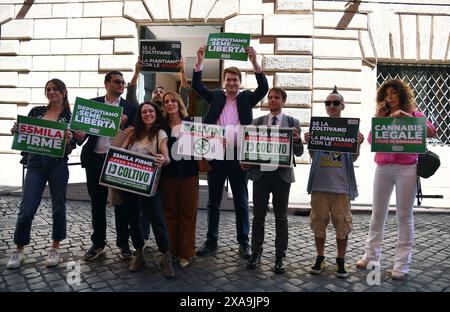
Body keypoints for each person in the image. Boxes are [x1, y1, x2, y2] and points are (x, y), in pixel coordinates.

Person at [192, 45, 269, 259]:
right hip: (216, 154)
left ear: (239, 82)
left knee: (241, 200)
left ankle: (243, 241)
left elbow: (263, 89)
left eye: (235, 80)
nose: (232, 83)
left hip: (238, 155)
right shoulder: (216, 96)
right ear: (224, 82)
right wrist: (200, 61)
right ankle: (211, 240)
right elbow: (197, 86)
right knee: (213, 200)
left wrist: (254, 63)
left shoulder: (246, 98)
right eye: (229, 80)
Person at [356, 79, 436, 280]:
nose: (389, 97)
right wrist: (378, 118)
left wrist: (408, 118)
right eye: (386, 94)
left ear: (401, 95)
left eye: (393, 93)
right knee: (378, 214)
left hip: (406, 168)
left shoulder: (414, 114)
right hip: (383, 167)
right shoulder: (382, 115)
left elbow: (432, 132)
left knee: (404, 216)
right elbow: (371, 140)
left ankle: (402, 264)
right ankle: (370, 255)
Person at [7, 79, 76, 269]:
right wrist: (16, 131)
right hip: (35, 163)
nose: (52, 92)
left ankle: (55, 248)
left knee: (58, 206)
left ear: (63, 92)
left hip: (58, 164)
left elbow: (71, 148)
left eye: (55, 89)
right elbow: (25, 137)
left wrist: (69, 140)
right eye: (48, 89)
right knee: (27, 208)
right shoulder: (36, 112)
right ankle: (19, 250)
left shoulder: (70, 117)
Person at [74, 71, 137, 261]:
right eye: (117, 82)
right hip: (95, 159)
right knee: (97, 203)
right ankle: (98, 243)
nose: (121, 85)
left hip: (118, 160)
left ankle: (123, 244)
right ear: (106, 83)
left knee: (121, 204)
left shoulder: (131, 108)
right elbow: (81, 136)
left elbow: (135, 137)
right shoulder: (91, 105)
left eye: (123, 83)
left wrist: (123, 128)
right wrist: (79, 136)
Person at [304, 86, 364, 278]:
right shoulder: (319, 127)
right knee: (318, 222)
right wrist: (309, 142)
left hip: (341, 186)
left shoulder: (350, 129)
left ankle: (340, 259)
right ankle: (320, 257)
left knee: (342, 224)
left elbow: (353, 159)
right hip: (320, 185)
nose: (331, 106)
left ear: (342, 106)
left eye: (335, 103)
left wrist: (358, 144)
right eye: (328, 103)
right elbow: (314, 155)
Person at [245, 87, 304, 274]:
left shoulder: (293, 123)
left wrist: (297, 141)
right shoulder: (257, 122)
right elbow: (249, 146)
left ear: (283, 100)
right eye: (270, 97)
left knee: (281, 217)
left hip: (282, 175)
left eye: (276, 97)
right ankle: (256, 253)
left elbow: (300, 152)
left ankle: (280, 256)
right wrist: (244, 161)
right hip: (261, 175)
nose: (272, 100)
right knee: (258, 217)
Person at [120, 101, 175, 277]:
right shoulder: (134, 133)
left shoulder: (160, 133)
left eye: (151, 111)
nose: (148, 114)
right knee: (133, 220)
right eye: (144, 112)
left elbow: (166, 157)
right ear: (140, 115)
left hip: (150, 184)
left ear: (156, 113)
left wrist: (163, 160)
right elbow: (120, 152)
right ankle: (139, 253)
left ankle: (165, 256)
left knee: (157, 219)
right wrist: (123, 135)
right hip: (129, 183)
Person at [161, 91, 199, 268]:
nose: (170, 104)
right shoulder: (160, 126)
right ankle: (171, 251)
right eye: (166, 101)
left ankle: (185, 252)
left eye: (173, 101)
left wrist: (218, 142)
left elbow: (206, 143)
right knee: (169, 214)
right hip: (168, 176)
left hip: (189, 174)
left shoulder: (191, 122)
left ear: (179, 103)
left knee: (188, 214)